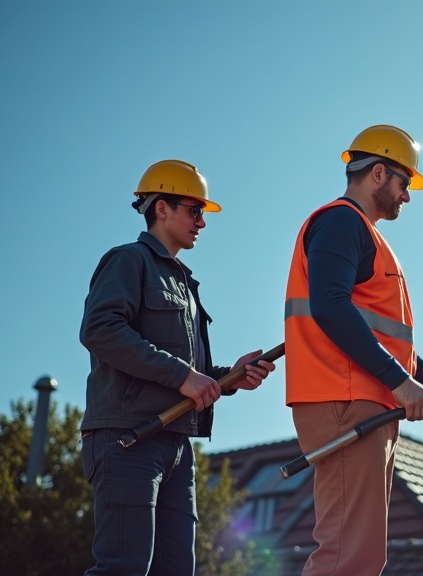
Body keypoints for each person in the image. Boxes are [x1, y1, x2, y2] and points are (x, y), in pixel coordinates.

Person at [284, 124, 423, 575]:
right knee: (347, 556)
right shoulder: (341, 222)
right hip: (346, 401)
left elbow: (383, 337)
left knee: (362, 555)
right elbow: (331, 307)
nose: (407, 195)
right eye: (404, 182)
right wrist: (401, 383)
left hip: (362, 401)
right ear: (378, 173)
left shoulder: (360, 233)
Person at [79, 159, 275, 575]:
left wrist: (231, 376)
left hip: (176, 444)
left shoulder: (185, 284)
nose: (202, 223)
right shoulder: (127, 261)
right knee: (123, 568)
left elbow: (190, 371)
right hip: (128, 439)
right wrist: (184, 376)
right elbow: (99, 329)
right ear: (160, 208)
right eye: (194, 210)